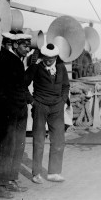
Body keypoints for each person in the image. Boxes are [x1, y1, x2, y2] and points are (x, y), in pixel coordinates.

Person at [0, 31, 31, 199]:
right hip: (8, 111)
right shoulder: (4, 59)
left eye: (28, 46)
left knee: (18, 146)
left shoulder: (16, 60)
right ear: (14, 45)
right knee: (6, 147)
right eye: (24, 46)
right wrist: (8, 108)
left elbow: (21, 85)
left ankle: (11, 180)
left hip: (19, 109)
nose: (28, 49)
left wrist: (29, 101)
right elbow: (0, 89)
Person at [25, 43, 70, 184]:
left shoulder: (61, 68)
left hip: (57, 107)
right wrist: (32, 102)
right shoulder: (36, 67)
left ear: (56, 56)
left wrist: (62, 100)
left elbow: (66, 86)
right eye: (46, 57)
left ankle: (54, 173)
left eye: (51, 58)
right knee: (39, 140)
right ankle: (36, 173)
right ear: (43, 56)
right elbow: (23, 84)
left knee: (58, 140)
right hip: (40, 106)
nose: (48, 60)